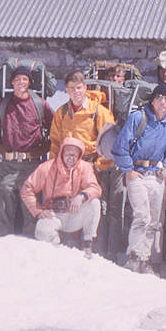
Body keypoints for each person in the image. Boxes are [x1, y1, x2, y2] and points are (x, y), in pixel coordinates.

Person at [111, 84, 166, 274]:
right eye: (159, 98)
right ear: (152, 99)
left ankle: (144, 258)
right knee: (142, 215)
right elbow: (120, 146)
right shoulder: (138, 118)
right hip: (137, 172)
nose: (163, 102)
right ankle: (133, 256)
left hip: (155, 174)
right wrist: (128, 170)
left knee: (154, 221)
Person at [48, 71, 115, 256]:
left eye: (79, 88)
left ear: (85, 88)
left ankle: (90, 246)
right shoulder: (61, 113)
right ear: (66, 91)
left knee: (91, 204)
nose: (75, 92)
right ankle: (70, 244)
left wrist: (100, 165)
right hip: (67, 168)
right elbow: (55, 141)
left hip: (90, 166)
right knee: (68, 204)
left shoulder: (98, 111)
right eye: (71, 89)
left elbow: (109, 142)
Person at [0, 66, 54, 237]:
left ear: (30, 82)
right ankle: (5, 248)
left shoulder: (39, 104)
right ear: (11, 82)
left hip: (32, 165)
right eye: (17, 79)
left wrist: (43, 148)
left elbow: (56, 128)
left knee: (31, 210)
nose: (21, 83)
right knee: (5, 210)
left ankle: (29, 249)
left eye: (24, 79)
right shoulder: (2, 104)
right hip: (8, 163)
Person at [20, 137, 102, 256]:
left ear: (79, 156)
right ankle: (56, 251)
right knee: (41, 230)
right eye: (68, 154)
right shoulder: (46, 168)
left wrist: (81, 196)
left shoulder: (84, 167)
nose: (71, 158)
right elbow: (27, 189)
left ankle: (87, 244)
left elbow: (95, 188)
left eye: (75, 155)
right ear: (62, 153)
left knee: (94, 203)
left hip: (74, 214)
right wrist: (37, 211)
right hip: (54, 214)